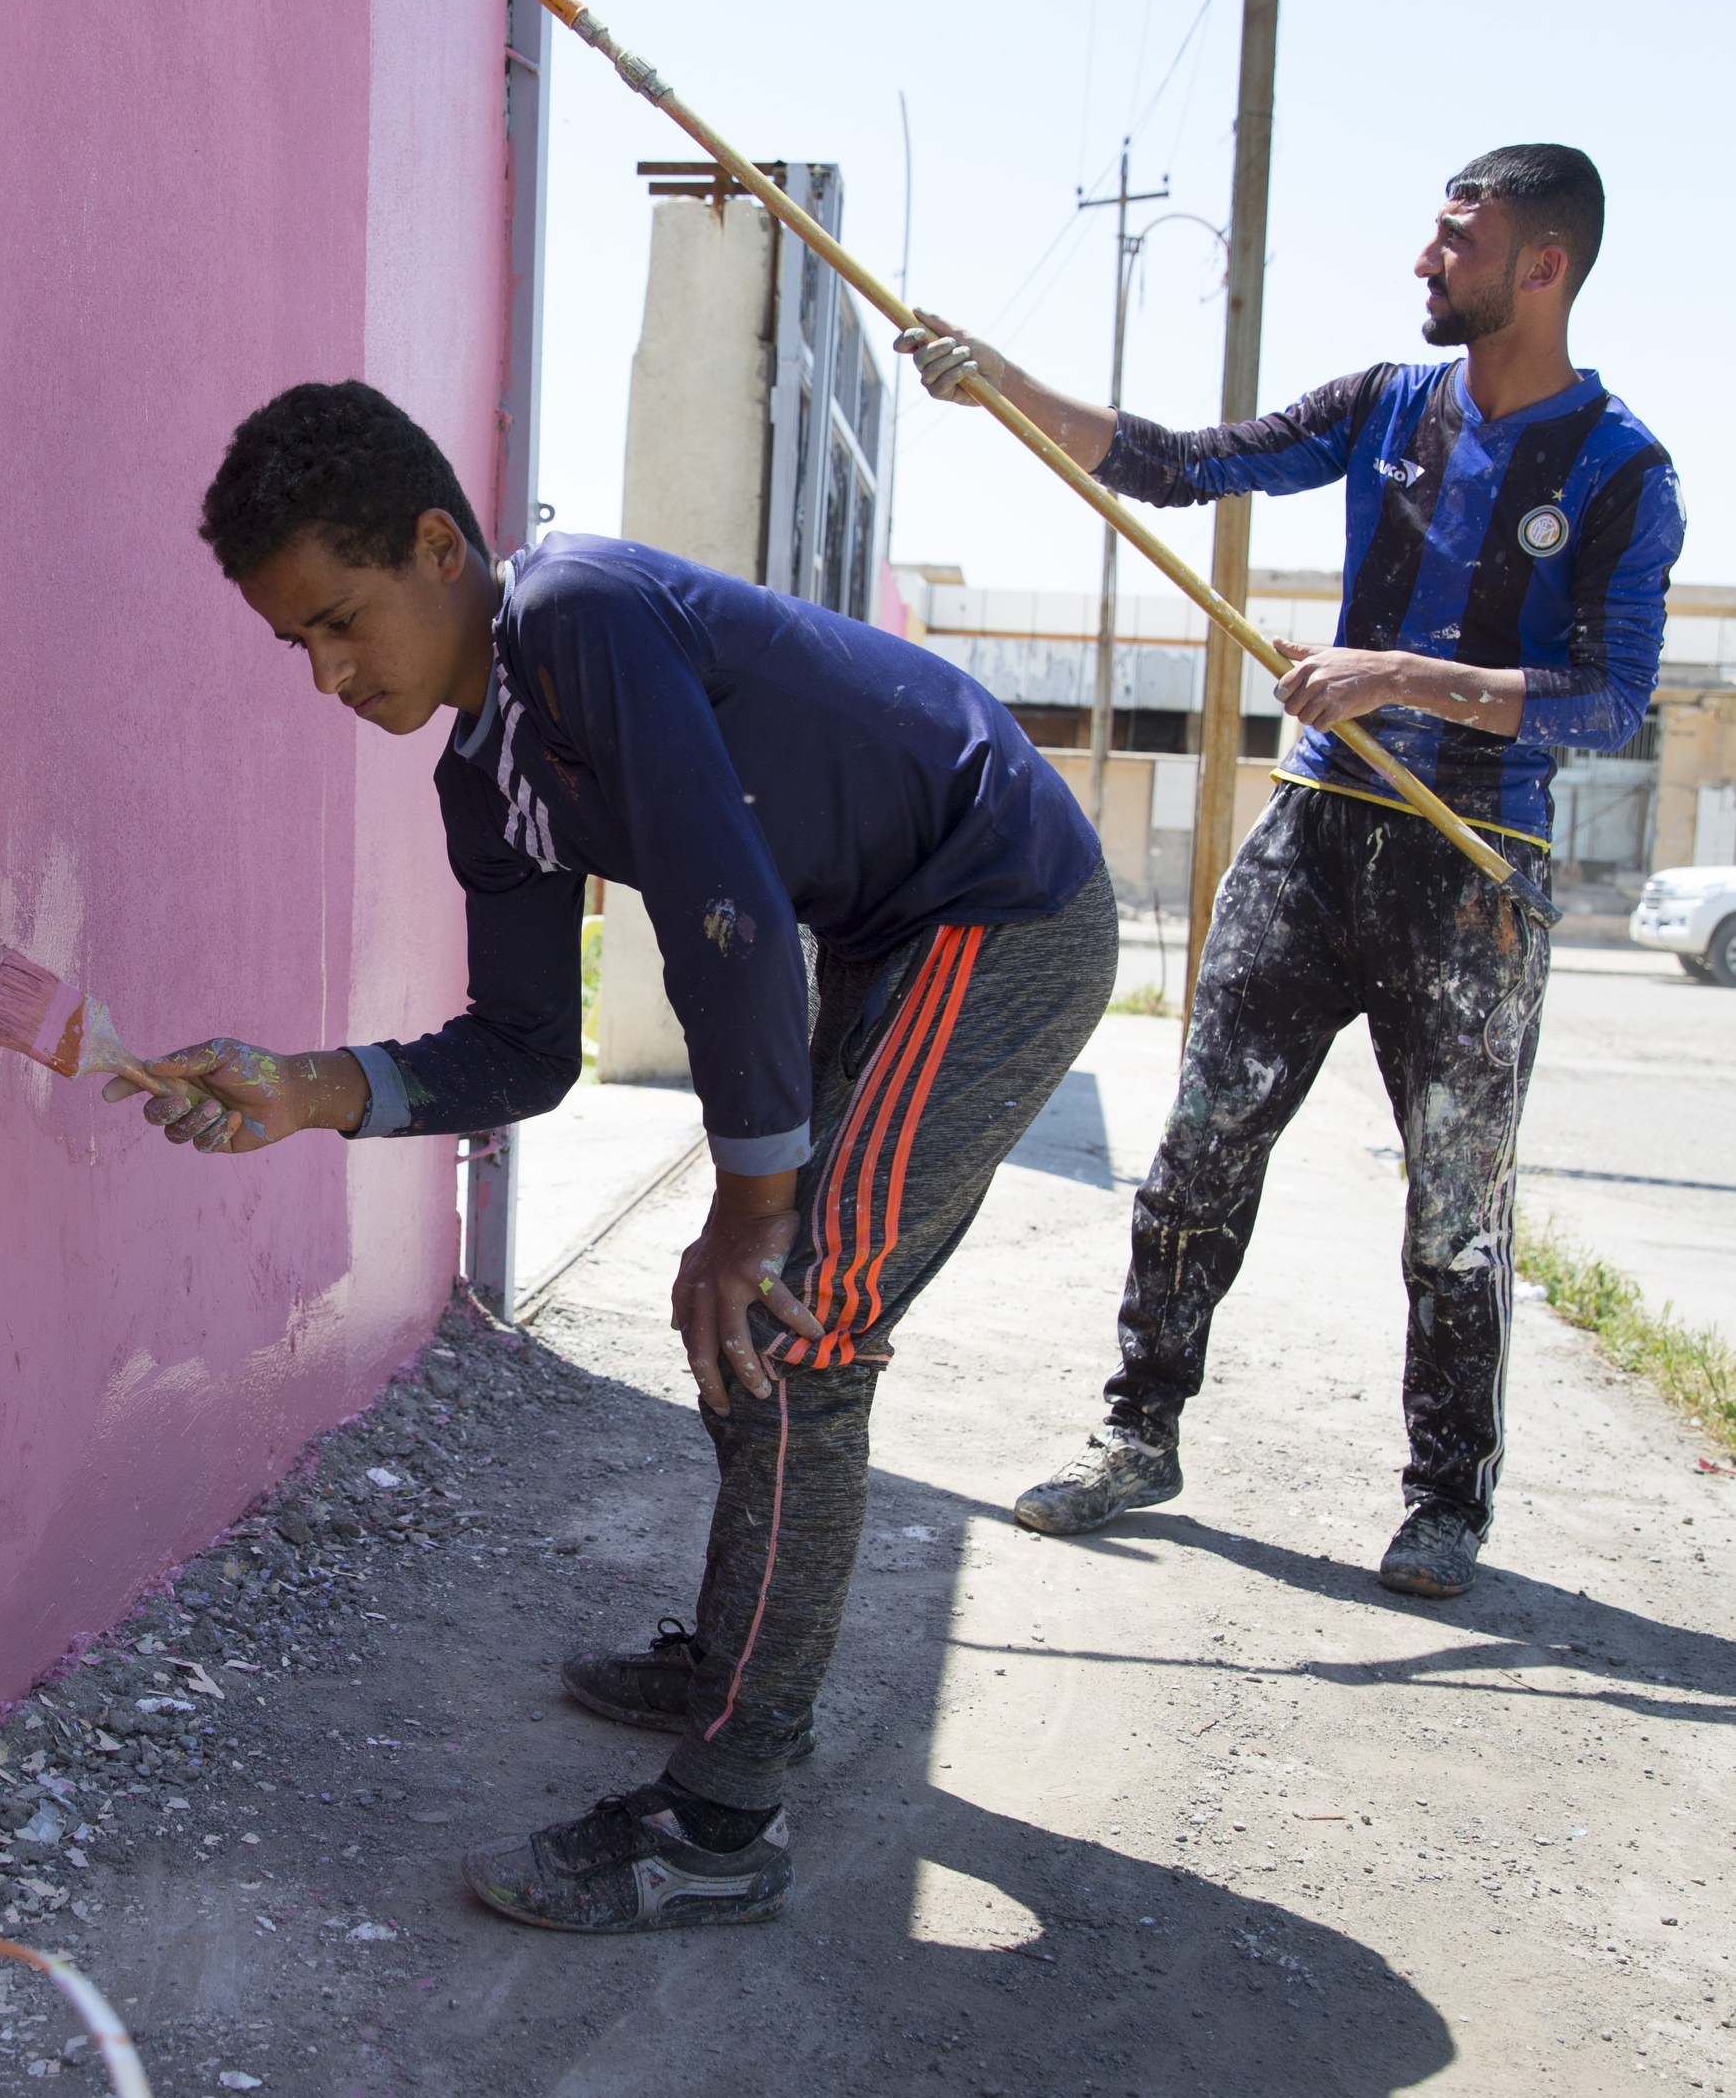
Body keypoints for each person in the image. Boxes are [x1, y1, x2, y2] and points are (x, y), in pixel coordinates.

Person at [114, 377, 1116, 1935]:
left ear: (440, 546)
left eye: (339, 619)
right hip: (888, 938)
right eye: (292, 644)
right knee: (754, 1315)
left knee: (790, 1324)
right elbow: (526, 1050)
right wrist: (306, 1088)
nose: (323, 674)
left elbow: (724, 911)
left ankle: (721, 1823)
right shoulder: (485, 784)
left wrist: (755, 1204)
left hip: (1000, 911)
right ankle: (735, 1662)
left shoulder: (575, 614)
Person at [918, 142, 1682, 1597]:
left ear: (1544, 265)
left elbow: (1613, 699)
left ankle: (1445, 1501)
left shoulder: (1626, 473)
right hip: (1311, 840)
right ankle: (1137, 1432)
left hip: (1478, 865)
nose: (1422, 261)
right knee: (1202, 1143)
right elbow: (1183, 464)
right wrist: (1003, 382)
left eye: (1457, 238)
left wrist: (1407, 675)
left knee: (1457, 1206)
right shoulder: (1387, 404)